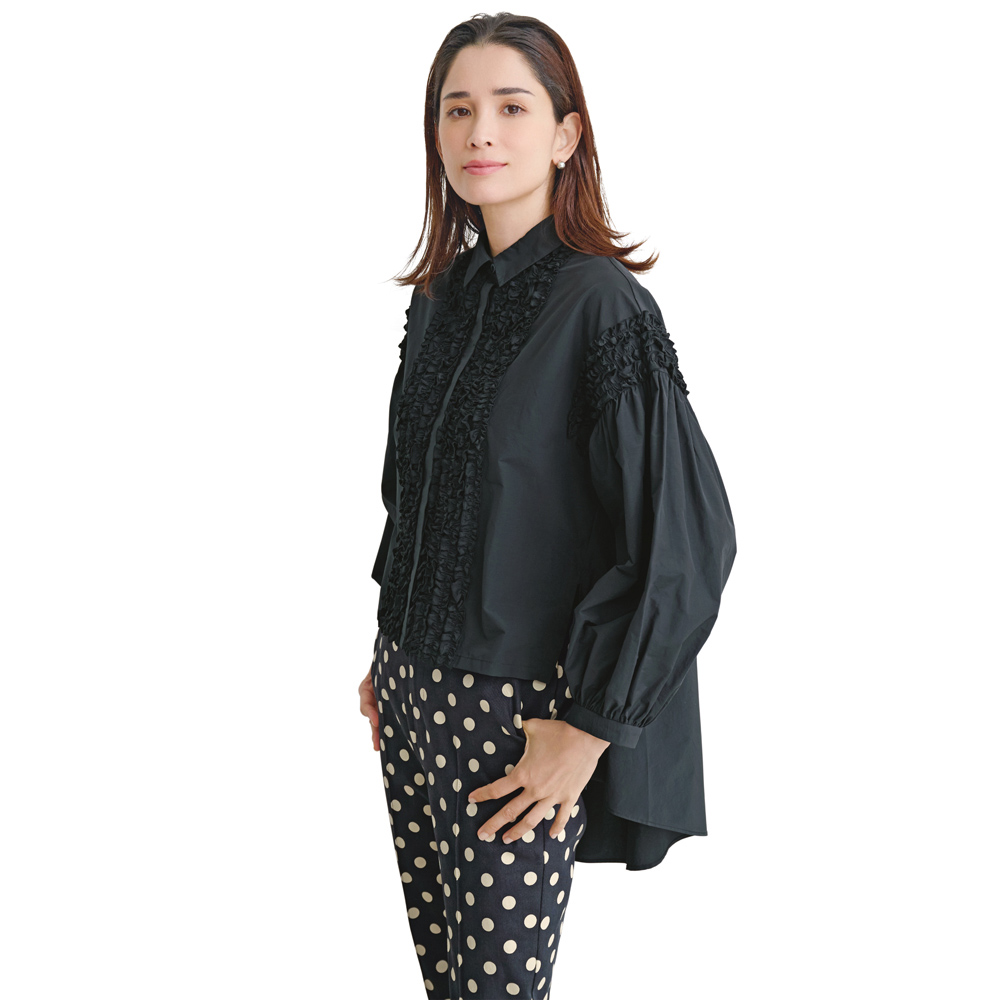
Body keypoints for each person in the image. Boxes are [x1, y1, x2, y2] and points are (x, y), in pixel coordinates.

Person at [357, 13, 738, 999]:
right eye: (457, 110)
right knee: (447, 983)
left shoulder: (600, 304)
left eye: (511, 107)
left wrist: (592, 727)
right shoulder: (441, 295)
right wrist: (388, 649)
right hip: (407, 691)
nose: (480, 131)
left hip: (515, 716)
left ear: (566, 135)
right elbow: (417, 488)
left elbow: (686, 536)